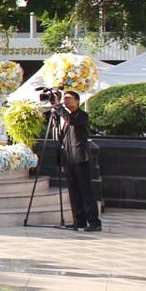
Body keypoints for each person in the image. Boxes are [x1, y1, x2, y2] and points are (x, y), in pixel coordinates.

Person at [55, 91, 101, 233]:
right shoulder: (65, 119)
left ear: (77, 101)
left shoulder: (82, 116)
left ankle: (94, 222)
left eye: (69, 99)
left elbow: (73, 121)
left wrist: (59, 108)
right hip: (69, 159)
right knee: (73, 191)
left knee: (86, 190)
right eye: (64, 99)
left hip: (81, 158)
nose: (66, 101)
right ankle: (79, 220)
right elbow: (62, 140)